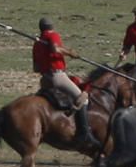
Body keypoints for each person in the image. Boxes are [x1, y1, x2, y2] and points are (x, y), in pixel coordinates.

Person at [32, 17, 101, 149]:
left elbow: (36, 68)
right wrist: (70, 53)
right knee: (83, 99)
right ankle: (85, 134)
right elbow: (55, 49)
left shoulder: (37, 43)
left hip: (45, 79)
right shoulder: (53, 35)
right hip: (57, 76)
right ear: (52, 26)